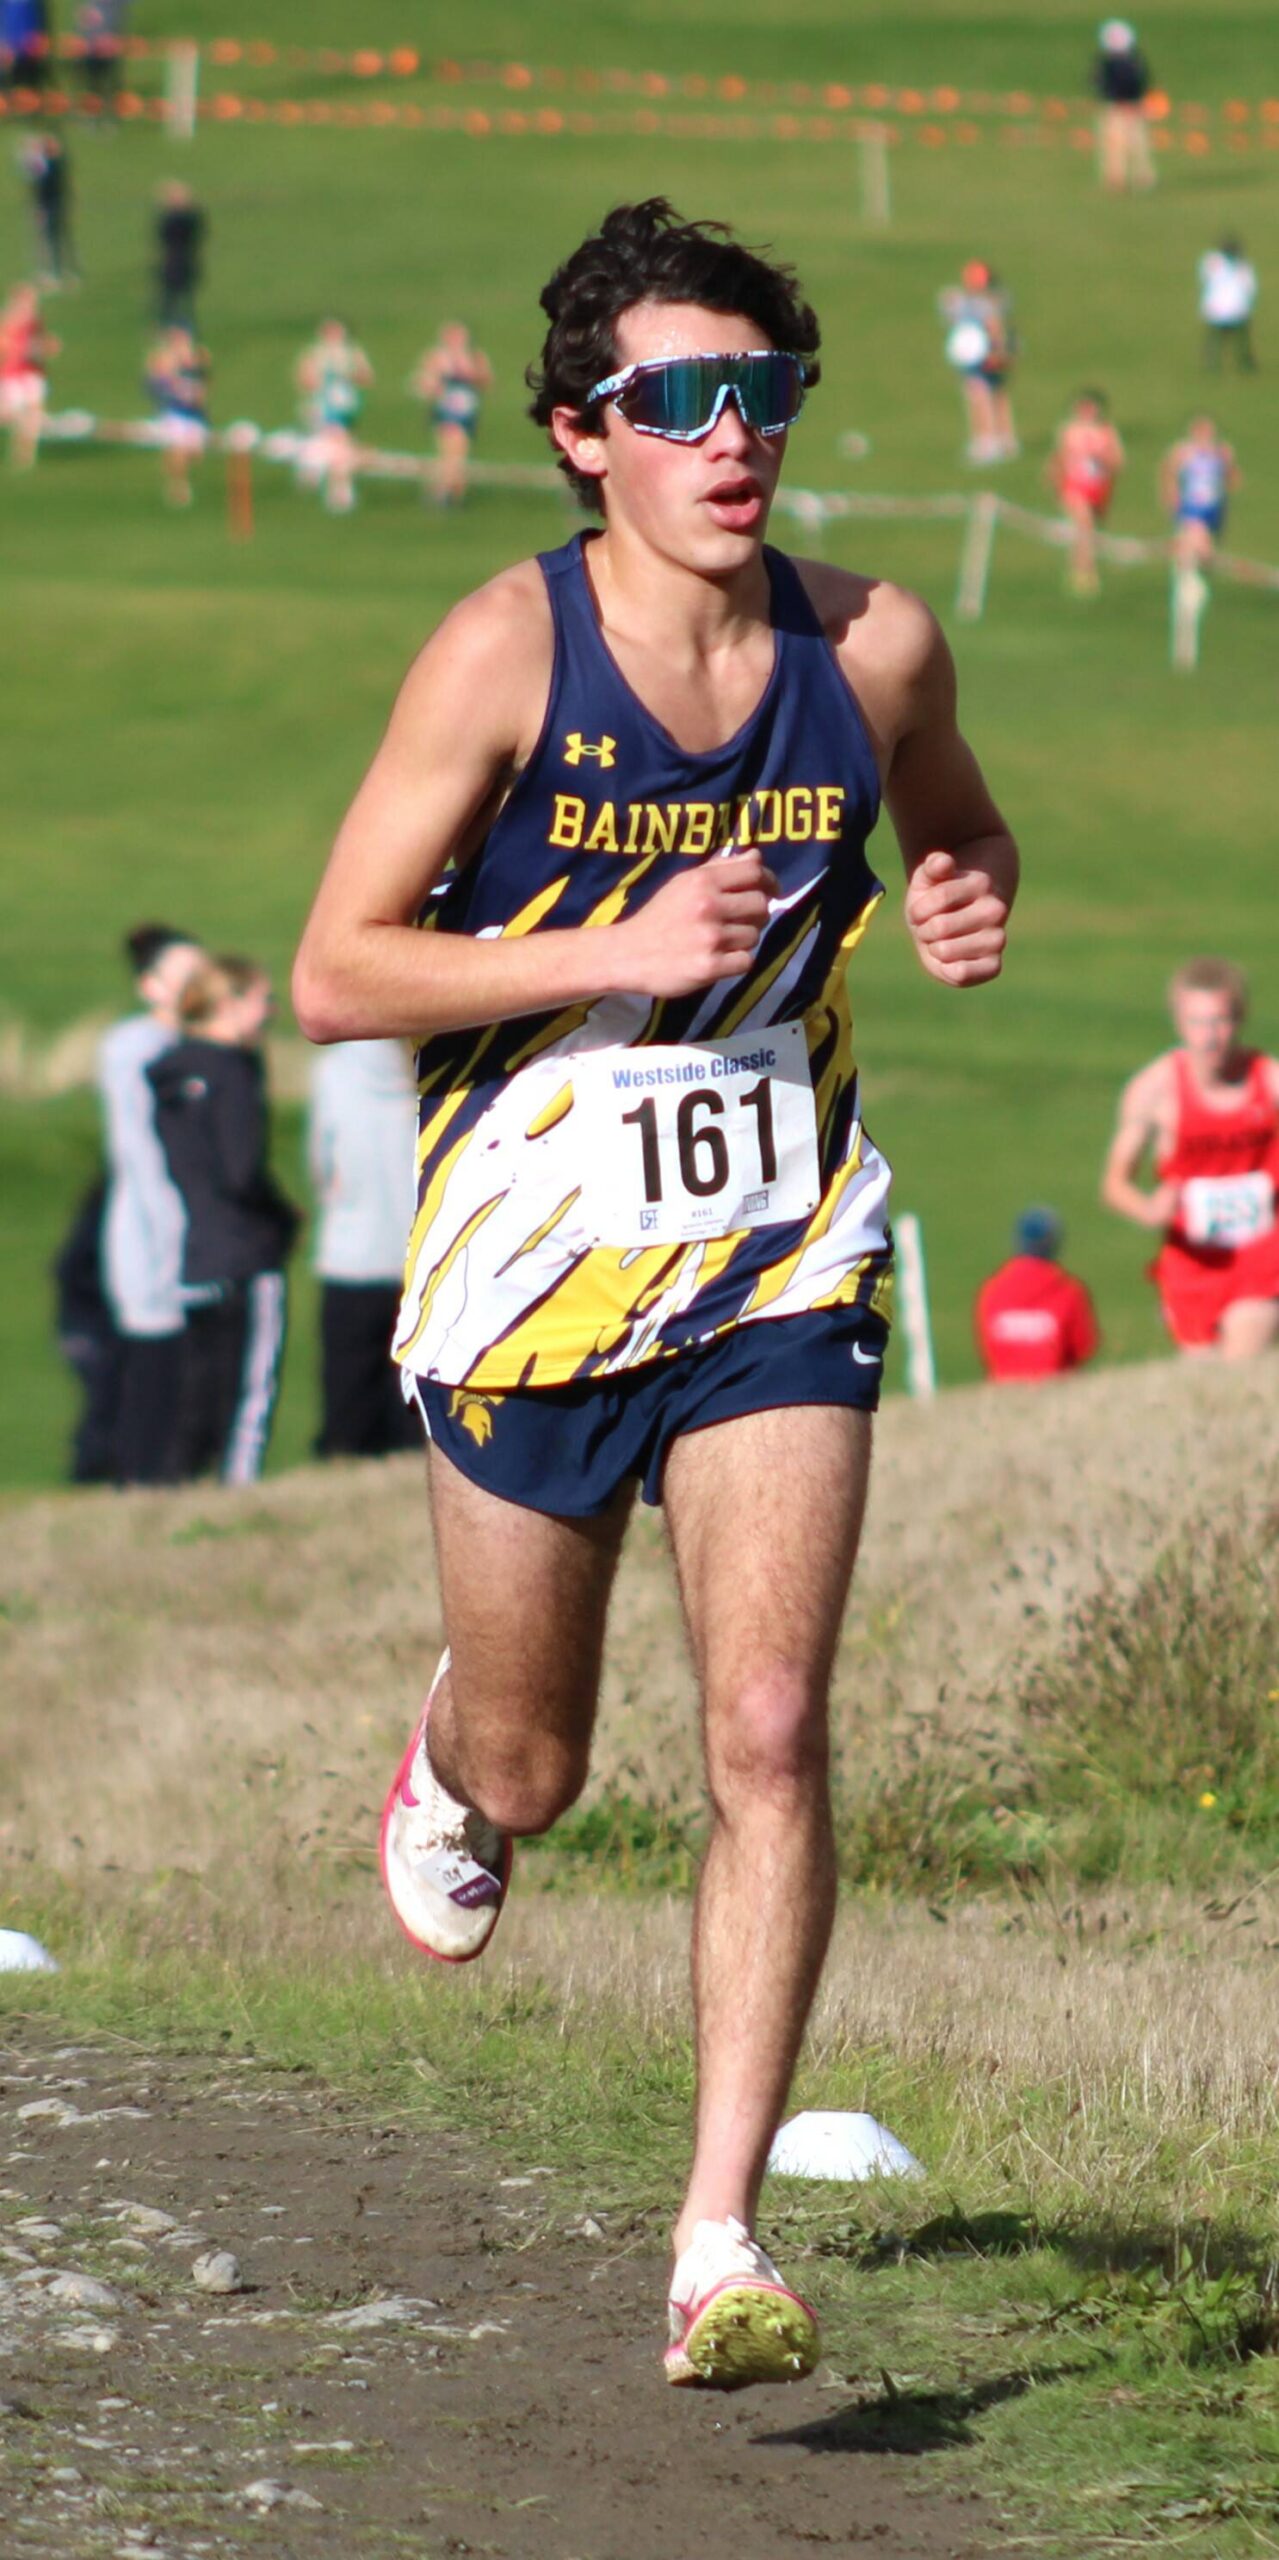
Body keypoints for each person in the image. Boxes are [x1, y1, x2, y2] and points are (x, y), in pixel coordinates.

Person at [294, 198, 1018, 2388]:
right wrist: (606, 949)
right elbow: (337, 968)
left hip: (779, 1250)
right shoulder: (505, 657)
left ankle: (719, 2235)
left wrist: (975, 887)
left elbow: (960, 820)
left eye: (764, 394)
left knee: (773, 1723)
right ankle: (455, 1744)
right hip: (524, 1269)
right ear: (578, 436)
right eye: (681, 401)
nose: (733, 437)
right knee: (541, 1758)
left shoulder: (871, 646)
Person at [149, 957, 299, 1484]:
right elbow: (242, 1169)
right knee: (248, 1391)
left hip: (197, 1254)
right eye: (263, 1000)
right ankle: (238, 1493)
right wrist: (283, 1219)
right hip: (245, 1253)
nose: (272, 1011)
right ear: (229, 1004)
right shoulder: (235, 1071)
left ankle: (178, 1483)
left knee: (200, 1388)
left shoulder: (168, 1075)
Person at [1102, 957, 1279, 1360]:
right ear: (1180, 1024)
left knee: (1242, 1363)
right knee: (1202, 1378)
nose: (1211, 1037)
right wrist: (1148, 1209)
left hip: (1263, 1250)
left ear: (1240, 1020)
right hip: (1192, 1261)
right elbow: (1114, 1183)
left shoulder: (1268, 1080)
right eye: (1198, 1023)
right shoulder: (1154, 1090)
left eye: (1221, 1021)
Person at [96, 922, 204, 1486]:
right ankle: (138, 1480)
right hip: (152, 1232)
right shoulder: (135, 1050)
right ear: (151, 986)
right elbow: (140, 1153)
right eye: (184, 976)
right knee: (153, 1368)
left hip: (192, 1236)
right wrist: (171, 1229)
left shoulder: (195, 1047)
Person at [308, 1039, 420, 1458]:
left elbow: (322, 1161)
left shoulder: (333, 1069)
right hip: (417, 1253)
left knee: (348, 1392)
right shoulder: (424, 1061)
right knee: (410, 1399)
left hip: (350, 1255)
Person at [51, 1178, 123, 1482]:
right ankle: (90, 1474)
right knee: (105, 1401)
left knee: (112, 1400)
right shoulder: (108, 1206)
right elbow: (71, 1269)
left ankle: (104, 1472)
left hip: (97, 1324)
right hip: (89, 1325)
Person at [975, 1208, 1099, 1381]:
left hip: (1003, 1390)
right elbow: (1084, 1347)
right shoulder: (1068, 1291)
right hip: (1058, 1389)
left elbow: (988, 1350)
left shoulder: (992, 1290)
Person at [937, 260, 1017, 463]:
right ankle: (1004, 439)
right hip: (982, 350)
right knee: (995, 392)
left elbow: (993, 326)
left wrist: (997, 351)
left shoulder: (984, 302)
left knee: (980, 394)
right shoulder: (990, 299)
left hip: (982, 352)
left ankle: (986, 440)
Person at [1047, 389, 1124, 596]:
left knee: (1086, 530)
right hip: (1075, 485)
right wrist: (1057, 485)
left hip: (1097, 486)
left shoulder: (1107, 431)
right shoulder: (1069, 431)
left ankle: (1076, 568)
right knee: (1084, 523)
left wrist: (1102, 459)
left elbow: (1117, 461)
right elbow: (1058, 459)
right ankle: (1086, 573)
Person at [295, 318, 372, 514]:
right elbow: (304, 380)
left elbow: (366, 377)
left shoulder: (352, 354)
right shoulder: (316, 354)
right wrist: (319, 381)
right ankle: (340, 491)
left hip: (345, 407)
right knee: (339, 444)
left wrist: (349, 376)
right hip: (323, 407)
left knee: (339, 445)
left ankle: (313, 464)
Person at [410, 321, 493, 505]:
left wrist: (472, 374)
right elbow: (423, 382)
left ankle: (449, 493)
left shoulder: (474, 357)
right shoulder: (438, 357)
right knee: (450, 450)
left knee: (460, 454)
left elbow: (487, 381)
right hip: (446, 410)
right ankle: (444, 494)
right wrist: (434, 384)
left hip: (467, 411)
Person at [1160, 415, 1239, 570]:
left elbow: (1233, 481)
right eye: (1200, 431)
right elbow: (1169, 472)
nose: (1204, 435)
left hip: (1213, 507)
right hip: (1192, 505)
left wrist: (1228, 464)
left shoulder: (1220, 452)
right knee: (1199, 546)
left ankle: (1192, 575)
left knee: (1200, 550)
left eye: (1207, 431)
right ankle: (1189, 581)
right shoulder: (1184, 451)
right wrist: (1171, 495)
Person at [144, 322, 210, 507]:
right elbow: (153, 384)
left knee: (196, 454)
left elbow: (205, 380)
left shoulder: (199, 356)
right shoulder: (163, 358)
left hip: (195, 413)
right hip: (174, 411)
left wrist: (201, 395)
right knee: (177, 450)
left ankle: (179, 479)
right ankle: (178, 487)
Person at [0, 280, 59, 470]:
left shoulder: (35, 320)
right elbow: (5, 344)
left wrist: (48, 346)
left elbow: (40, 341)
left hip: (33, 372)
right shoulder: (10, 320)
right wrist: (19, 350)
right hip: (14, 373)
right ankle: (22, 451)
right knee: (13, 414)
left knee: (34, 412)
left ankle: (24, 455)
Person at [1092, 19, 1155, 194]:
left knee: (1125, 144)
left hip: (1123, 106)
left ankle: (1124, 178)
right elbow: (1141, 81)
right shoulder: (1131, 60)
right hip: (1128, 105)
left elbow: (1100, 83)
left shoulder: (1111, 62)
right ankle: (1128, 178)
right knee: (1129, 143)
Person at [21, 133, 75, 288]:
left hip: (50, 206)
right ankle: (56, 272)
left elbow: (42, 185)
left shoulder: (53, 164)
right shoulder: (50, 164)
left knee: (51, 240)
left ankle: (55, 273)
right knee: (51, 240)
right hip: (51, 205)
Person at [1199, 238, 1258, 374]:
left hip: (1214, 311)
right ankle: (1246, 361)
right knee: (1243, 336)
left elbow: (1205, 280)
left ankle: (1211, 360)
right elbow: (1250, 289)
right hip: (1237, 312)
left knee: (1214, 336)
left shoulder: (1211, 263)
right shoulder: (1243, 267)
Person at [153, 179, 204, 330]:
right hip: (174, 260)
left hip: (183, 260)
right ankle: (169, 323)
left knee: (183, 295)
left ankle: (182, 324)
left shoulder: (185, 218)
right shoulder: (171, 218)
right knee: (170, 295)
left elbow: (193, 227)